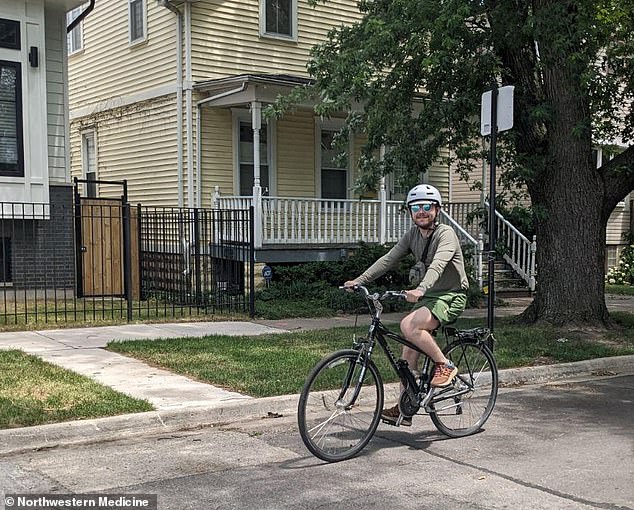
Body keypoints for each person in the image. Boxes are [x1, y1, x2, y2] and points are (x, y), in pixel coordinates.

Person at [344, 184, 469, 427]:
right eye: (415, 207)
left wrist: (421, 289)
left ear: (436, 209)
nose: (421, 212)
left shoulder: (446, 234)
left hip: (451, 295)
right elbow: (388, 259)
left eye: (426, 207)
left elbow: (438, 265)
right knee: (406, 358)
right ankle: (406, 406)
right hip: (430, 298)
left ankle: (445, 365)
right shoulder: (412, 235)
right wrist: (359, 281)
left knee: (408, 325)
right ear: (410, 211)